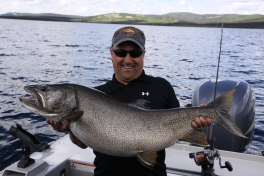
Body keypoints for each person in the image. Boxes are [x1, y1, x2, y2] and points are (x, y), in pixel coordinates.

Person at [47, 26, 212, 176]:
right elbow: (83, 144)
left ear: (143, 54)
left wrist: (195, 124)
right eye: (120, 53)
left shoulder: (161, 87)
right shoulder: (97, 94)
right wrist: (70, 128)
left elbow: (177, 126)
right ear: (111, 53)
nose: (128, 59)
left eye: (135, 53)